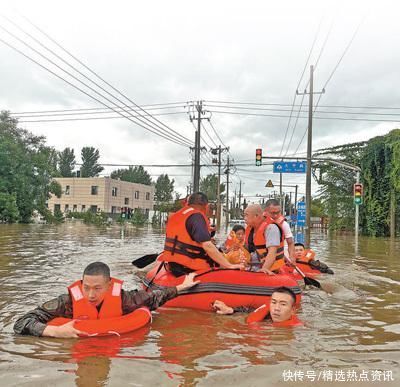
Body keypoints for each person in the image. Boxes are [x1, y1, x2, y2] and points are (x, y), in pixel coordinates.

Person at [13, 261, 199, 338]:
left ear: (109, 286)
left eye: (97, 289)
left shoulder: (125, 300)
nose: (91, 295)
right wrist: (54, 331)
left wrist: (181, 287)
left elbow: (155, 297)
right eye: (86, 288)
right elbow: (22, 322)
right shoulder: (67, 302)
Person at [158, 192, 243, 276]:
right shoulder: (196, 216)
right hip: (189, 267)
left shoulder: (176, 215)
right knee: (225, 265)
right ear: (206, 205)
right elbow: (207, 246)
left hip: (173, 265)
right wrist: (229, 265)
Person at [212, 287, 301, 325]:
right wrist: (231, 310)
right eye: (273, 302)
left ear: (293, 310)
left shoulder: (297, 330)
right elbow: (252, 311)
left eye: (283, 304)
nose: (276, 308)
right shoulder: (268, 316)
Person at [244, 202, 285, 275]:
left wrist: (264, 269)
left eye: (246, 215)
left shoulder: (271, 228)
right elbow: (248, 250)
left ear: (256, 216)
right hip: (258, 265)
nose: (244, 218)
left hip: (274, 270)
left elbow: (272, 253)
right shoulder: (251, 229)